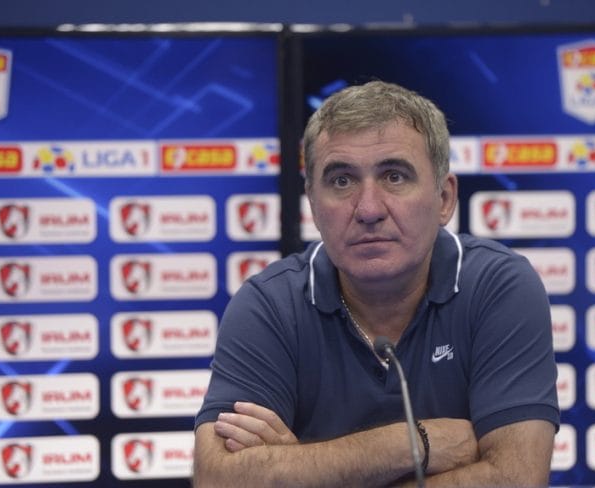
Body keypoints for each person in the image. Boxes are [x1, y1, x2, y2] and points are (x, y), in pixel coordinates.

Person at [193, 80, 559, 487]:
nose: (368, 209)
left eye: (394, 176)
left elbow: (516, 480)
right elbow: (216, 480)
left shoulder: (498, 287)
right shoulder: (269, 305)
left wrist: (301, 469)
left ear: (444, 198)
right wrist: (415, 443)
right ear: (312, 203)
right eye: (342, 181)